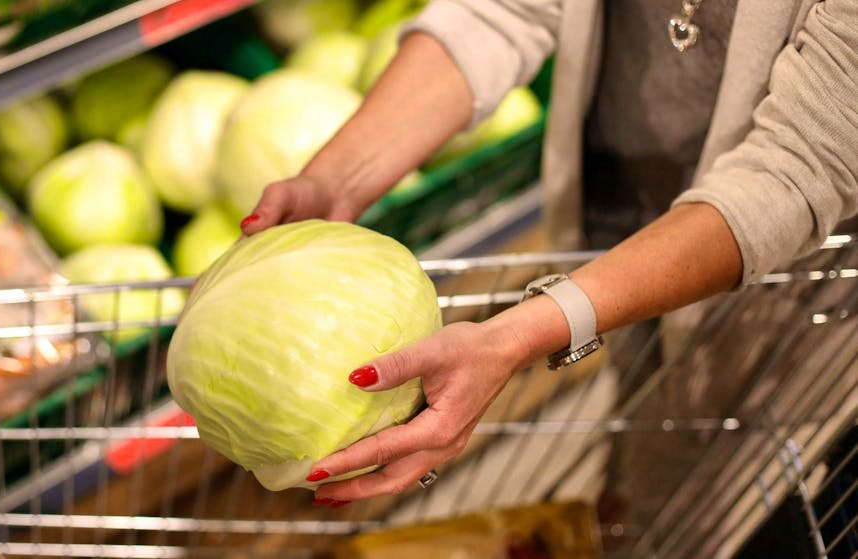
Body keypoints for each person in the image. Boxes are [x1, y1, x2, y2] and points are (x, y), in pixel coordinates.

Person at [239, 0, 858, 507]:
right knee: (641, 435)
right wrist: (337, 180)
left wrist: (516, 336)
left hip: (775, 295)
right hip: (622, 233)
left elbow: (795, 168)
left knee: (707, 484)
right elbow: (504, 10)